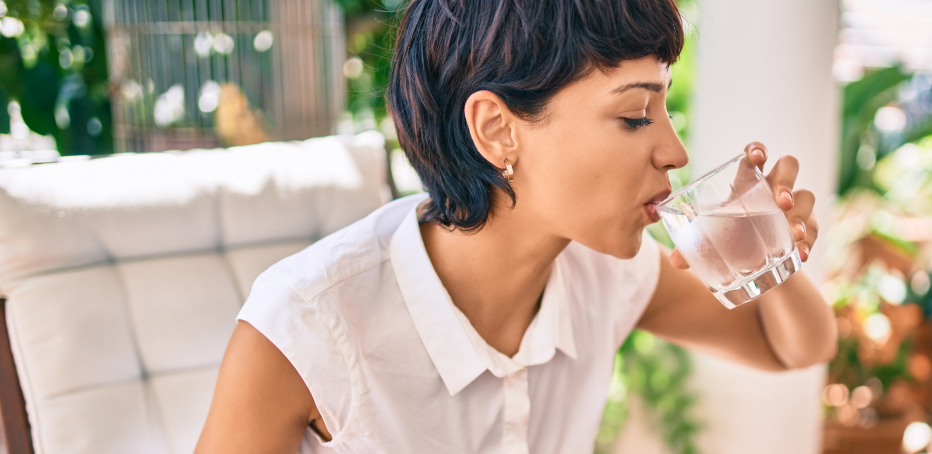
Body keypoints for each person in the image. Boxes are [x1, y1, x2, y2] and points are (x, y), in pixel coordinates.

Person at [194, 0, 835, 452]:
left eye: (663, 105)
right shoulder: (306, 324)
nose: (674, 151)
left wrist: (766, 251)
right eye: (636, 115)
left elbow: (793, 347)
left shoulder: (605, 274)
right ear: (497, 129)